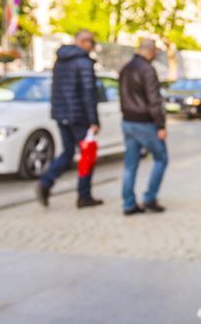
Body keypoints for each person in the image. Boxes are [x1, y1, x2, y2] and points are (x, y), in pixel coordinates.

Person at [36, 30, 103, 209]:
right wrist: (94, 120)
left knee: (67, 152)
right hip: (79, 116)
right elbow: (89, 93)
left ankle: (46, 182)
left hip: (61, 114)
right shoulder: (83, 62)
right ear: (83, 41)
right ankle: (84, 195)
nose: (93, 46)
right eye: (92, 42)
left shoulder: (61, 59)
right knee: (87, 155)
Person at [119, 37, 168, 215]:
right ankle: (150, 198)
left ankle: (128, 203)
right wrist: (161, 125)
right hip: (144, 123)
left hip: (127, 121)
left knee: (130, 164)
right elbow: (154, 100)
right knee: (161, 158)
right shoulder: (147, 69)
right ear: (151, 50)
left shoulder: (125, 68)